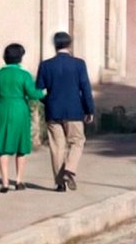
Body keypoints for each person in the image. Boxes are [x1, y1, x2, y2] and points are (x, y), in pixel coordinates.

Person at [35, 32, 94, 193]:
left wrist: (48, 102)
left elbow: (39, 90)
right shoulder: (79, 64)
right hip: (74, 110)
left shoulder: (45, 65)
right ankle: (70, 169)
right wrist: (89, 109)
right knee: (77, 141)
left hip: (53, 111)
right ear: (69, 45)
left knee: (57, 146)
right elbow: (85, 89)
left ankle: (60, 183)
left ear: (55, 45)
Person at [0, 43, 45, 193]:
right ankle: (19, 180)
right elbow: (33, 94)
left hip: (1, 108)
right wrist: (44, 92)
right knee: (21, 145)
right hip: (19, 109)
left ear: (5, 57)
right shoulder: (24, 75)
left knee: (2, 145)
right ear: (20, 58)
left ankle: (4, 183)